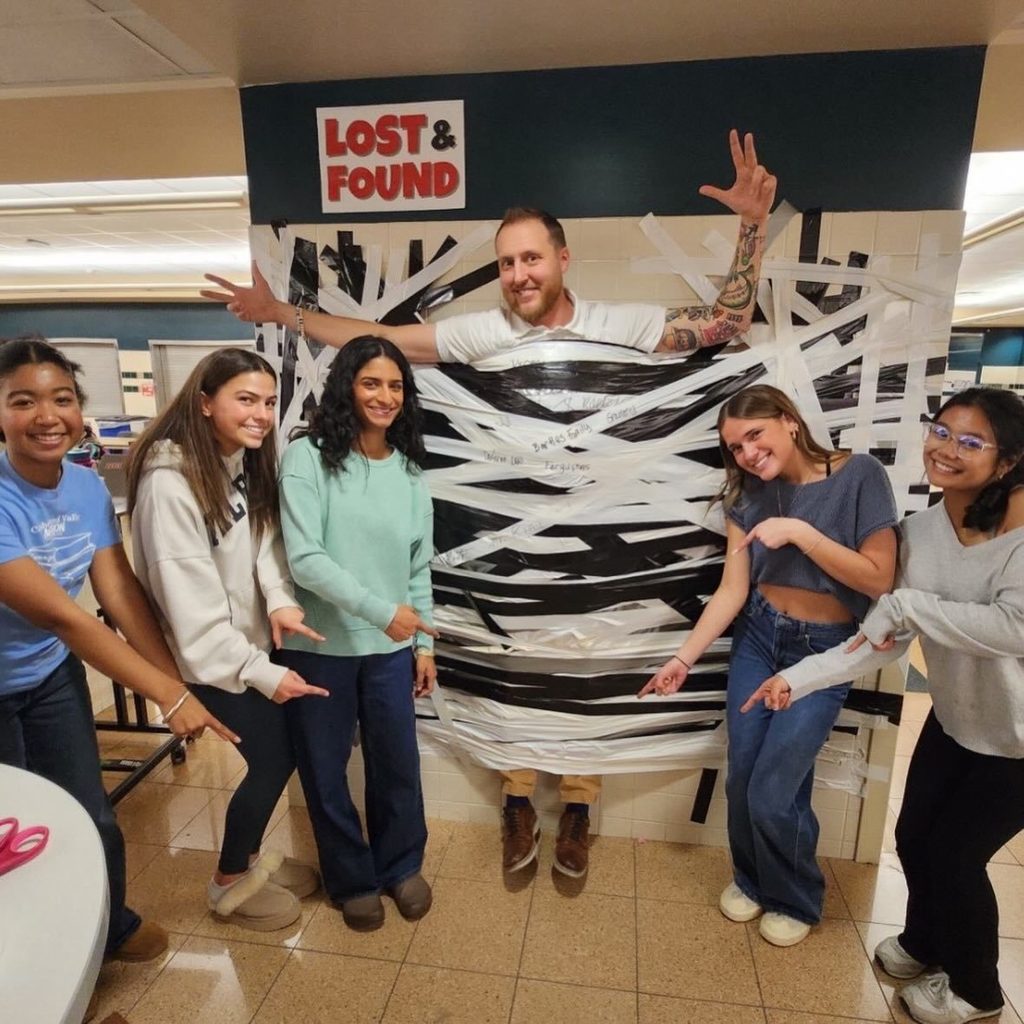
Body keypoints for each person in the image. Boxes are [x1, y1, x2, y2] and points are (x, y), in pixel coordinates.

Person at [204, 129, 778, 878]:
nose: (517, 274)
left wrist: (752, 226)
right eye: (506, 263)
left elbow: (725, 324)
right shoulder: (483, 332)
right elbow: (376, 339)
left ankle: (578, 805)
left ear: (563, 258)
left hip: (601, 550)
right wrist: (283, 313)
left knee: (589, 667)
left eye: (530, 258)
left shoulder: (623, 323)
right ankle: (517, 800)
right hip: (507, 548)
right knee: (517, 664)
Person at [744, 387, 1024, 1022]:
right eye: (941, 431)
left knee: (957, 856)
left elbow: (1014, 627)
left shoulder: (1019, 531)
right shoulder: (920, 532)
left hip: (1017, 741)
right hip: (956, 722)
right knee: (914, 837)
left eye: (971, 442)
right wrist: (799, 677)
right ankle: (926, 942)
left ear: (1006, 461)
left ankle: (978, 990)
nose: (946, 449)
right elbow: (883, 635)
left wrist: (907, 605)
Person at [0, 335, 238, 967]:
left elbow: (121, 594)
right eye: (22, 402)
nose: (47, 416)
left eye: (62, 399)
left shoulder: (85, 488)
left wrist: (176, 681)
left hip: (48, 676)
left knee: (90, 815)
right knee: (11, 834)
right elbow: (64, 617)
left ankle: (107, 931)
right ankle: (30, 965)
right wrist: (171, 698)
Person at [638, 384, 898, 947]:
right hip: (758, 636)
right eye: (735, 447)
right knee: (744, 774)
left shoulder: (861, 475)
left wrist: (801, 534)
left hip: (825, 649)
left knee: (776, 786)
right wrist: (683, 658)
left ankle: (794, 898)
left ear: (789, 421)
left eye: (755, 435)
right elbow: (733, 589)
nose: (748, 454)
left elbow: (880, 579)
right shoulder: (748, 494)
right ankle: (752, 881)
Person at [127, 347, 329, 931]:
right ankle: (228, 881)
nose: (261, 414)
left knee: (278, 756)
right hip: (206, 662)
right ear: (205, 403)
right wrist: (264, 672)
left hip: (243, 649)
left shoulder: (237, 459)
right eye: (245, 399)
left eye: (268, 401)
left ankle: (247, 861)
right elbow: (192, 616)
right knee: (273, 759)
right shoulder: (170, 484)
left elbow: (263, 539)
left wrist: (281, 599)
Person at [275, 335, 438, 931]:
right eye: (371, 382)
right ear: (347, 385)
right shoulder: (306, 458)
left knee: (397, 765)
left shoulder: (409, 471)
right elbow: (306, 561)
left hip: (391, 649)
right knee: (325, 771)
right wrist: (381, 611)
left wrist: (424, 643)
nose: (385, 396)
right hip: (320, 648)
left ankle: (401, 866)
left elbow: (418, 567)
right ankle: (351, 879)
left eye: (395, 385)